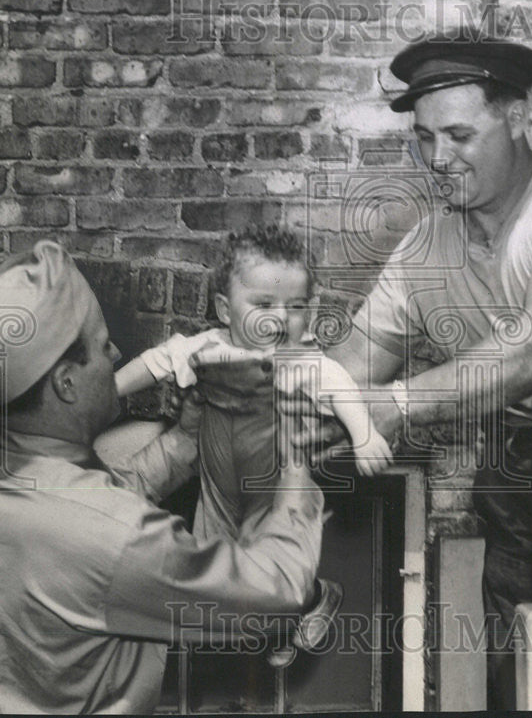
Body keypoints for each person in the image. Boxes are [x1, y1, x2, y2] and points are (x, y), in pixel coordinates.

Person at [290, 30, 532, 709]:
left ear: (519, 118)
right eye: (425, 138)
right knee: (518, 676)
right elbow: (351, 368)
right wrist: (291, 393)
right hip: (518, 480)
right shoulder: (427, 243)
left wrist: (393, 404)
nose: (439, 157)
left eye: (459, 135)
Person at [0, 240, 325, 713]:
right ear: (66, 383)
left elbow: (83, 510)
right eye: (101, 344)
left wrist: (183, 441)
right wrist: (296, 462)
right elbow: (277, 592)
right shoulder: (113, 537)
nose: (116, 354)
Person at [114, 224, 391, 664]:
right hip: (219, 484)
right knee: (221, 572)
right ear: (225, 309)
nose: (279, 319)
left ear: (311, 309)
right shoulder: (206, 348)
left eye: (295, 306)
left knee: (275, 564)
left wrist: (364, 435)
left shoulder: (303, 359)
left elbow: (339, 386)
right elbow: (156, 362)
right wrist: (109, 392)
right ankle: (280, 621)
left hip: (277, 485)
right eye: (263, 304)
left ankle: (312, 596)